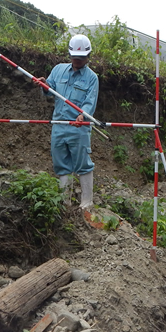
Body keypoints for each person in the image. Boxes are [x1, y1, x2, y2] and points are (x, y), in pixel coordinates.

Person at [35, 35, 99, 216]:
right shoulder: (58, 70)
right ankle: (65, 203)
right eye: (75, 57)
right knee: (61, 163)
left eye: (81, 58)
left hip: (79, 128)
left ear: (88, 56)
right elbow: (50, 91)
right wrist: (44, 84)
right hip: (59, 125)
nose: (77, 61)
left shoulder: (92, 78)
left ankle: (87, 203)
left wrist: (82, 116)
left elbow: (89, 102)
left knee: (82, 163)